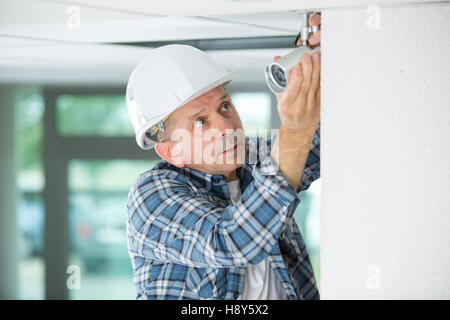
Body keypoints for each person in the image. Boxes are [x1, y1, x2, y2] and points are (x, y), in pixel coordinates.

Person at [125, 14, 322, 300]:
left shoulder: (253, 158)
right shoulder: (151, 195)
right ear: (171, 151)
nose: (227, 127)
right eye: (200, 122)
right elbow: (231, 241)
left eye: (225, 106)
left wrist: (321, 60)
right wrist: (295, 130)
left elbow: (328, 143)